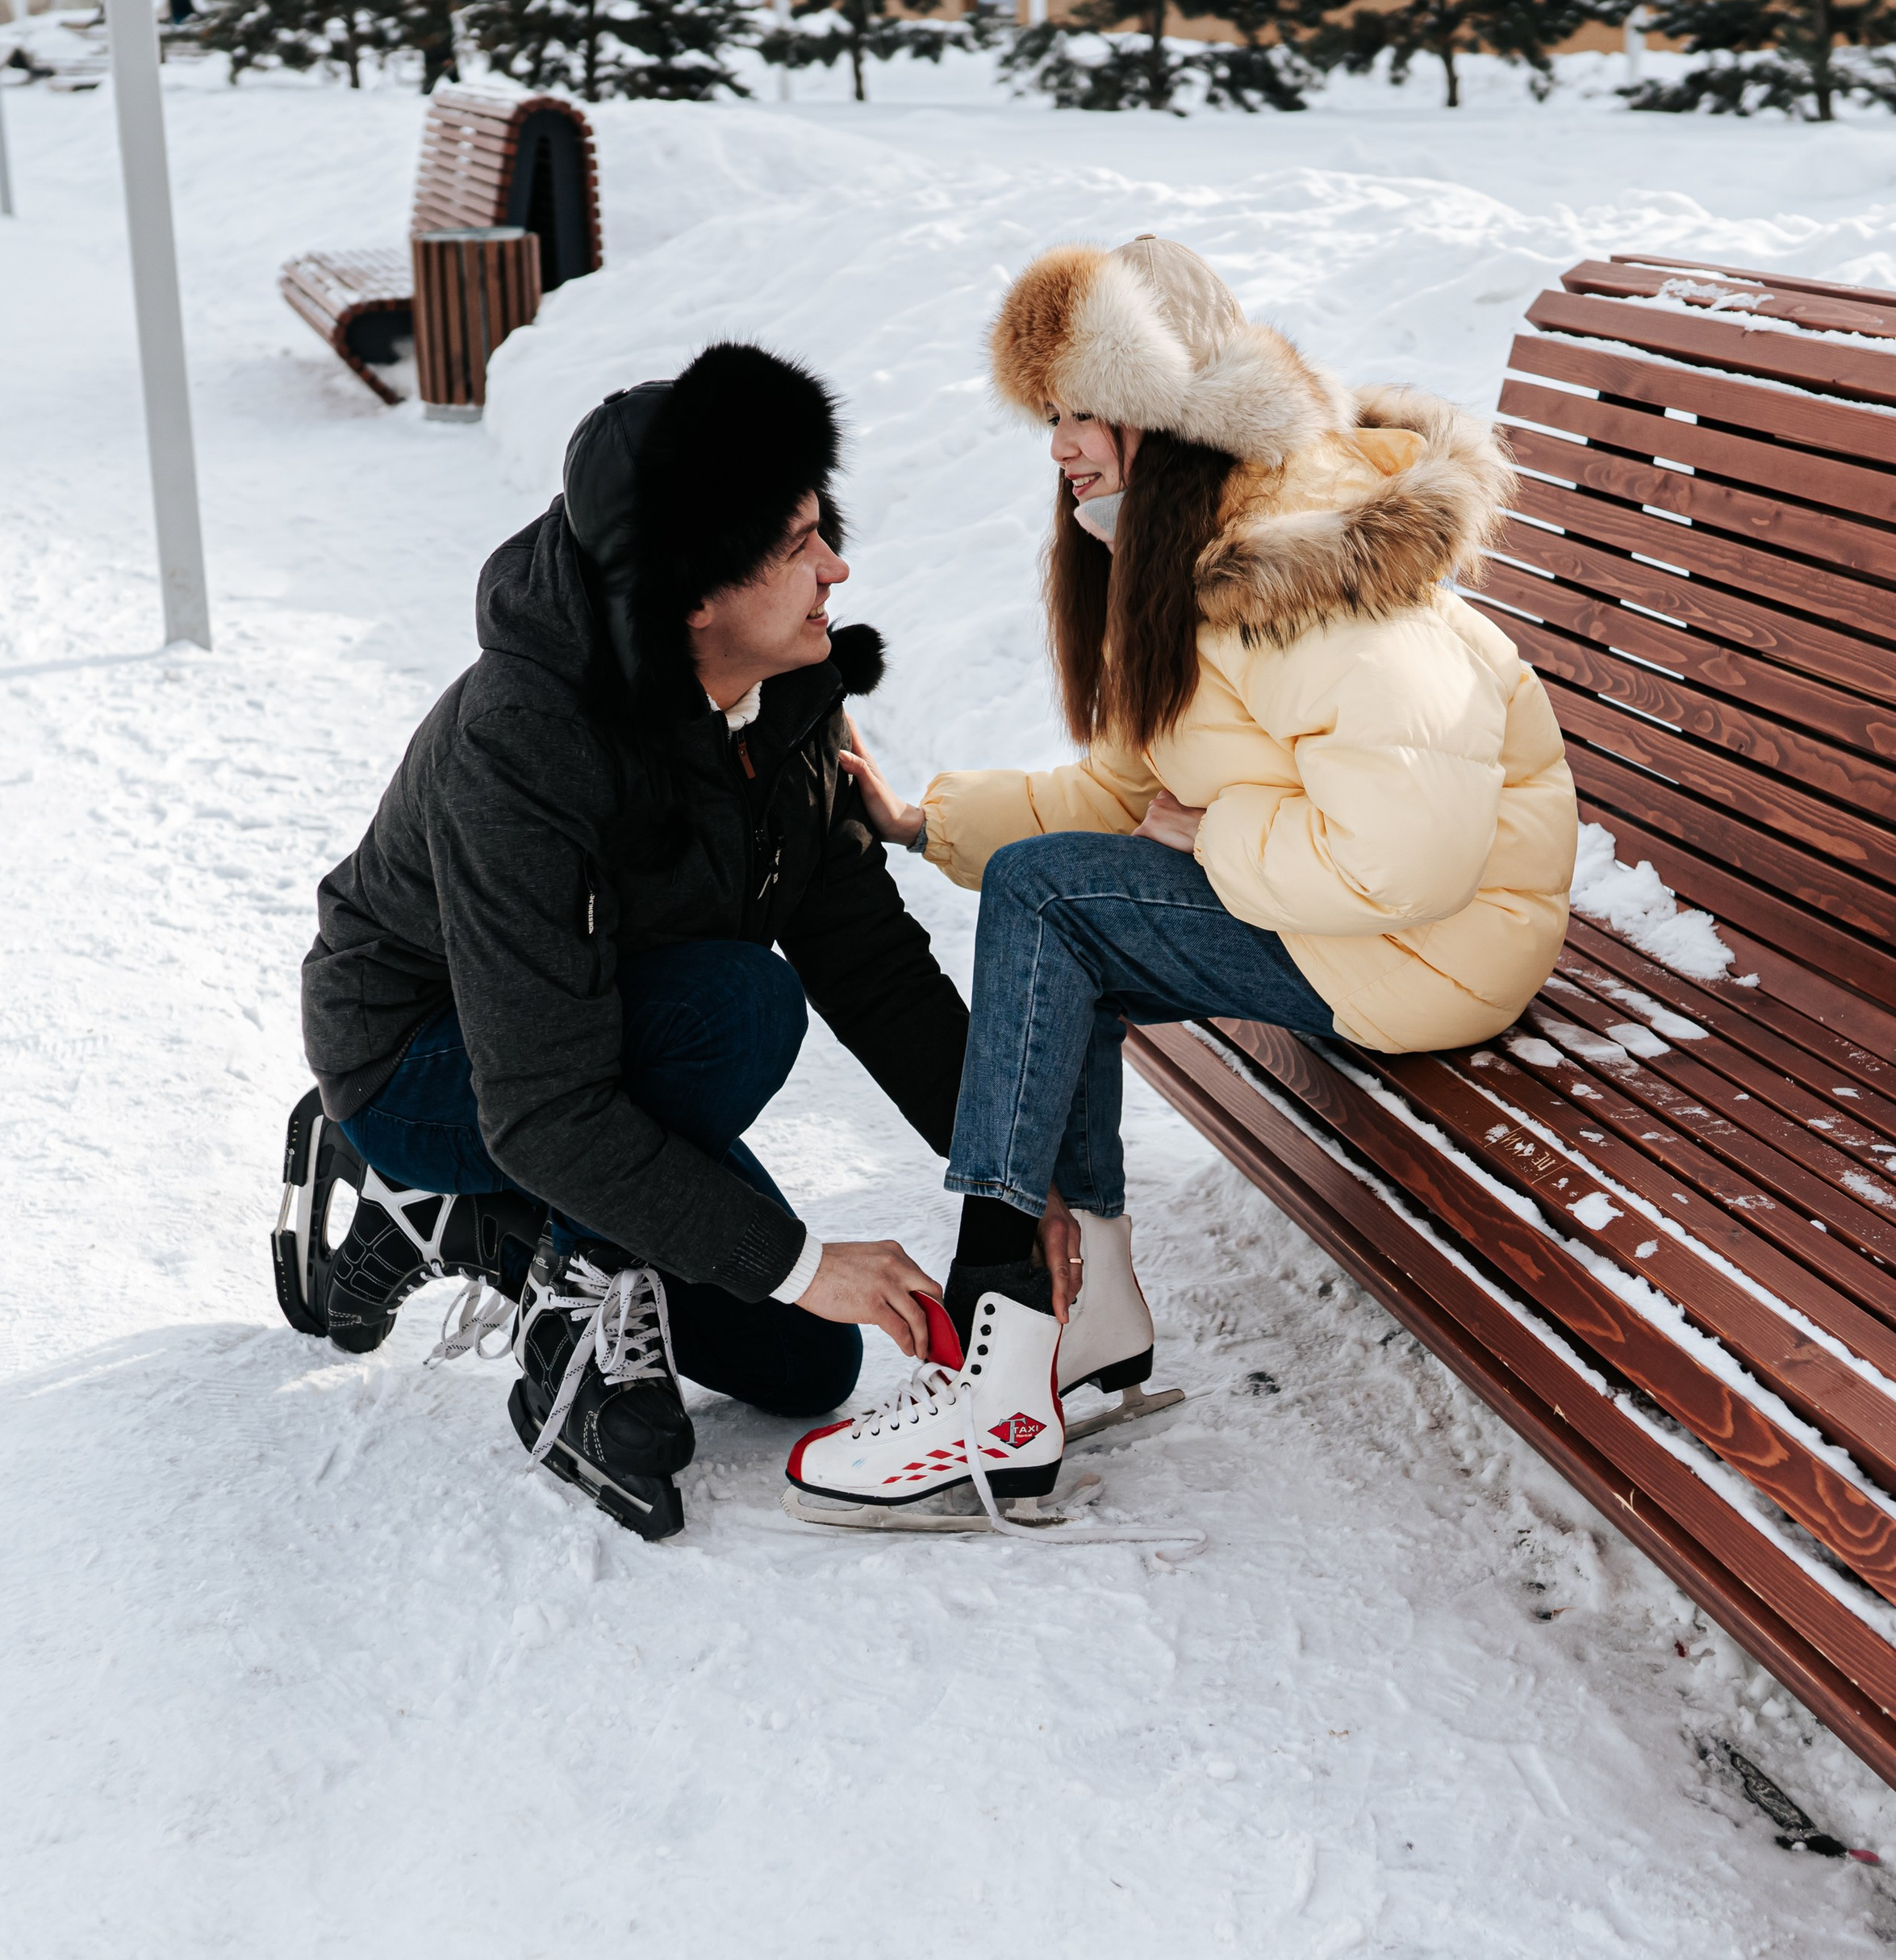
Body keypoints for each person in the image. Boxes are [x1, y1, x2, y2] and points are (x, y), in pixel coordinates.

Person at [790, 236, 1577, 1523]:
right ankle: (1085, 1307)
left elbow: (1405, 858)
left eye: (1082, 413)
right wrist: (923, 821)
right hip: (1364, 921)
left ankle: (1001, 1346)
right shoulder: (1183, 565)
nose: (1060, 447)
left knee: (1055, 905)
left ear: (1174, 412)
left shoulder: (1314, 574)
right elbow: (1120, 803)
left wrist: (1208, 835)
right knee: (1058, 904)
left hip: (1440, 947)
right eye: (1049, 417)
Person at [282, 344, 990, 1541]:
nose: (837, 566)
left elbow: (869, 959)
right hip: (431, 1064)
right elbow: (547, 1107)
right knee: (738, 1007)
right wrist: (809, 1259)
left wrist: (1020, 1181)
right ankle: (533, 1260)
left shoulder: (791, 695)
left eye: (827, 525)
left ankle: (468, 1217)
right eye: (795, 545)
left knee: (807, 1367)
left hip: (587, 1049)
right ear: (690, 594)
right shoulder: (522, 742)